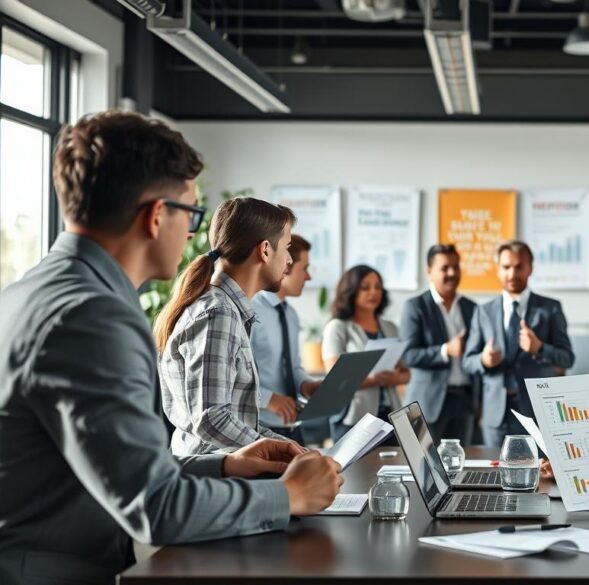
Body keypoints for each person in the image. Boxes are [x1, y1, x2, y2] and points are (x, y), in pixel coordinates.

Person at [0, 111, 340, 585]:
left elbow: (113, 466)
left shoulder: (35, 289)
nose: (194, 235)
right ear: (157, 216)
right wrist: (289, 497)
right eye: (192, 214)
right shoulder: (92, 318)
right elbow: (154, 505)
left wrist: (225, 464)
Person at [156, 197, 297, 456]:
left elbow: (239, 423)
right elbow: (212, 420)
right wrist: (281, 452)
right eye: (287, 247)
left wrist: (293, 449)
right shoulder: (218, 313)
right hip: (212, 482)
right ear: (265, 250)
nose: (289, 260)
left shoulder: (225, 309)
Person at [463, 240, 575, 448]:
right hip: (495, 414)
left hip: (537, 413)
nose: (512, 274)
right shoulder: (484, 311)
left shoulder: (550, 308)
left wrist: (539, 348)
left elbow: (567, 358)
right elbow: (468, 361)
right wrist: (483, 359)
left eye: (518, 267)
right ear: (498, 270)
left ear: (530, 269)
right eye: (506, 267)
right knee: (494, 476)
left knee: (538, 477)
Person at [400, 244, 479, 444]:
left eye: (456, 266)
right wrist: (446, 350)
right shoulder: (415, 307)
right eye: (445, 268)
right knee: (427, 468)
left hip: (465, 401)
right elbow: (409, 355)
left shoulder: (472, 308)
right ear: (429, 271)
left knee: (462, 465)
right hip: (428, 402)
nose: (452, 273)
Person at [250, 234, 323, 443]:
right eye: (305, 269)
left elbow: (292, 365)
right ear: (286, 266)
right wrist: (269, 399)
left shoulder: (290, 314)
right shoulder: (250, 311)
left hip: (291, 424)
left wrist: (305, 386)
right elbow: (234, 375)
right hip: (258, 426)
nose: (308, 277)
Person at [322, 265, 410, 436]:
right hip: (354, 418)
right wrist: (373, 379)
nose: (373, 292)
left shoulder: (390, 327)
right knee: (357, 464)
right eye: (365, 287)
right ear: (351, 290)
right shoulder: (338, 327)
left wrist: (393, 378)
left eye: (378, 287)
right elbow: (334, 379)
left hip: (391, 417)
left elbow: (406, 373)